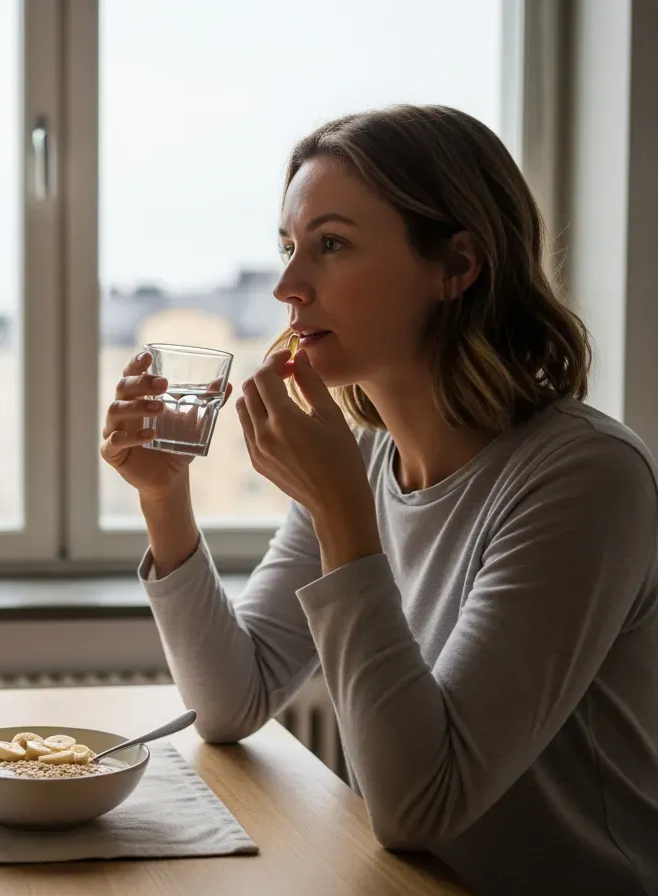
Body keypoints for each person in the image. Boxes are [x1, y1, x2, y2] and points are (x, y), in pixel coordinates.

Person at [101, 105, 658, 895]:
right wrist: (164, 497)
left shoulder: (584, 479)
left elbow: (420, 807)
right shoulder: (365, 461)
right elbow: (232, 700)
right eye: (290, 248)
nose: (289, 287)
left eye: (331, 246)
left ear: (456, 264)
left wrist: (340, 515)